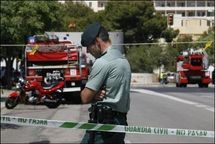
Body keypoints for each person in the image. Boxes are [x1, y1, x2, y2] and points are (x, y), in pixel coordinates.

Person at [80, 22, 131, 144]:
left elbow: (85, 97)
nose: (87, 51)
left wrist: (92, 93)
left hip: (103, 127)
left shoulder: (103, 62)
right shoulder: (123, 60)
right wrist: (96, 93)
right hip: (120, 122)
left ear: (97, 42)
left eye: (88, 46)